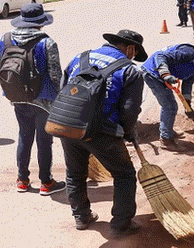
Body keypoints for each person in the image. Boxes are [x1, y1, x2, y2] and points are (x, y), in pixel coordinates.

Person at [60, 29, 147, 236]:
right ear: (130, 49)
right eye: (134, 54)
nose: (133, 57)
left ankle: (81, 217)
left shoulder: (79, 58)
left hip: (68, 125)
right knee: (124, 174)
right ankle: (121, 224)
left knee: (74, 173)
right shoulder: (130, 71)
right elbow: (129, 110)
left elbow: (63, 90)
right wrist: (127, 132)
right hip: (101, 132)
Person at [0, 3, 66, 195]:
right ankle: (46, 183)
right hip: (42, 100)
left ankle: (22, 180)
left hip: (18, 97)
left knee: (24, 137)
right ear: (40, 23)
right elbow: (55, 75)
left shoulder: (6, 39)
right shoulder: (47, 43)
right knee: (44, 141)